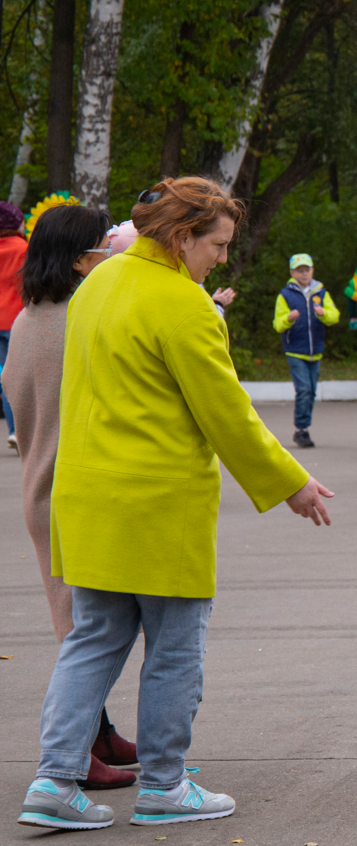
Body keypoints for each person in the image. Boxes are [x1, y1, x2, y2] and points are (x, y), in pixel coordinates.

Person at [15, 177, 332, 832]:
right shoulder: (184, 305)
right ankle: (164, 783)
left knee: (92, 639)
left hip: (86, 497)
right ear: (183, 236)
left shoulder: (96, 284)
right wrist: (291, 483)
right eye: (216, 244)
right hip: (158, 505)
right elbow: (226, 413)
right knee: (175, 647)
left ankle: (53, 777)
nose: (221, 258)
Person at [2, 203, 140, 793]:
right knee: (85, 633)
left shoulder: (32, 317)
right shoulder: (76, 319)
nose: (113, 251)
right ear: (81, 258)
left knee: (80, 622)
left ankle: (101, 735)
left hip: (43, 489)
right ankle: (74, 753)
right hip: (71, 491)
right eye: (104, 244)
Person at [272, 253, 341, 449]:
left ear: (312, 271)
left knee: (311, 391)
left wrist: (324, 314)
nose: (304, 273)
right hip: (294, 350)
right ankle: (301, 429)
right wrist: (289, 319)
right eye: (300, 270)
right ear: (292, 272)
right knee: (303, 390)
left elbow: (334, 316)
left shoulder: (321, 292)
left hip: (315, 350)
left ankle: (303, 428)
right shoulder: (285, 295)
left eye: (307, 269)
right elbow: (277, 324)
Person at [0, 200, 29, 448]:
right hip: (16, 318)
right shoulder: (22, 248)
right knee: (20, 376)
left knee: (4, 377)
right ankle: (20, 430)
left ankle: (13, 430)